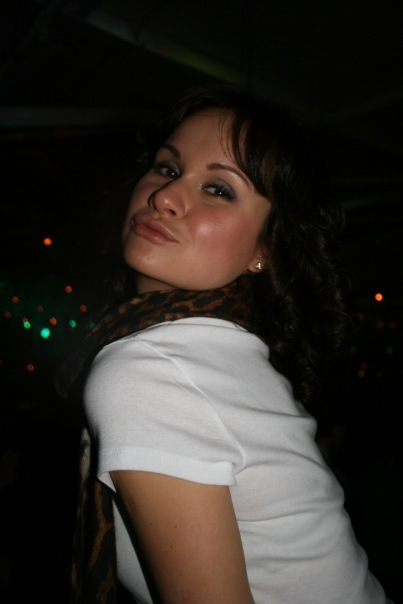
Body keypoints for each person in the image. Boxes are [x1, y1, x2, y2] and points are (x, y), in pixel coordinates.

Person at [60, 83, 393, 604]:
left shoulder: (153, 368)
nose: (164, 197)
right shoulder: (220, 349)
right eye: (167, 168)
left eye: (218, 189)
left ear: (266, 250)